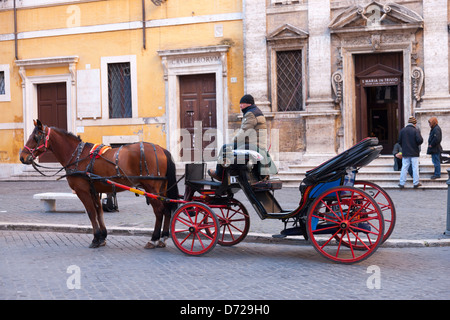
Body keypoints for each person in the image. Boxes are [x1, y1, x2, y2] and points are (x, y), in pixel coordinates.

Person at [208, 94, 274, 181]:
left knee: (226, 147)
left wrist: (234, 140)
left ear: (248, 104)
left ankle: (219, 174)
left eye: (242, 104)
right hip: (256, 144)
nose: (240, 106)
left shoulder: (250, 114)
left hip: (253, 145)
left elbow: (243, 132)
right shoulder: (255, 112)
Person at [398, 116, 423, 189]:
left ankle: (401, 183)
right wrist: (415, 144)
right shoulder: (416, 130)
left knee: (404, 167)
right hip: (414, 152)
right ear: (414, 124)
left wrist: (404, 146)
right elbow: (420, 140)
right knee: (415, 167)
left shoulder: (402, 130)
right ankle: (416, 183)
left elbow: (399, 141)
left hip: (405, 152)